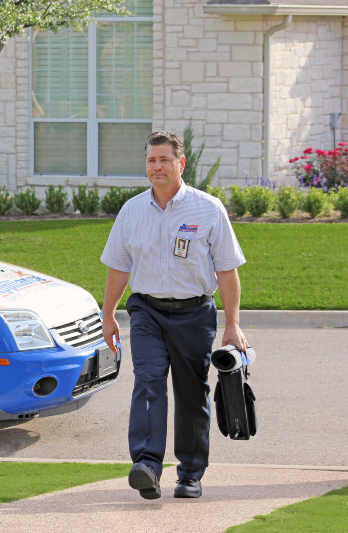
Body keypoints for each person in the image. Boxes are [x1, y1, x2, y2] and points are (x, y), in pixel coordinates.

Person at [100, 131, 247, 500]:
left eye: (164, 160)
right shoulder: (132, 210)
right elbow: (119, 267)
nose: (157, 166)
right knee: (148, 381)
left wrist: (232, 325)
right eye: (151, 160)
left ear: (181, 164)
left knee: (190, 390)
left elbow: (228, 271)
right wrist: (108, 314)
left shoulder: (208, 209)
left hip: (194, 313)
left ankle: (190, 473)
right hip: (146, 310)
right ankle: (147, 465)